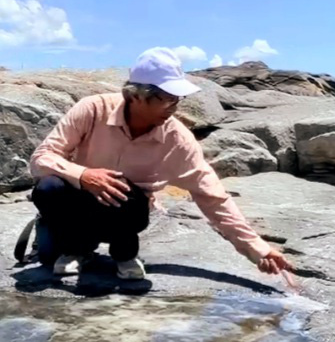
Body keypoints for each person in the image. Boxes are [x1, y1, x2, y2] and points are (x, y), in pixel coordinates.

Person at [28, 46, 293, 281]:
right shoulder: (93, 110)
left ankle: (125, 255)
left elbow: (213, 196)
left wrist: (258, 250)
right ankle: (77, 249)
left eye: (177, 99)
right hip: (78, 207)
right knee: (48, 188)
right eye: (166, 98)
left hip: (127, 215)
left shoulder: (176, 138)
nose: (173, 107)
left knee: (125, 193)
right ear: (135, 96)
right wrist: (83, 174)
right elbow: (42, 158)